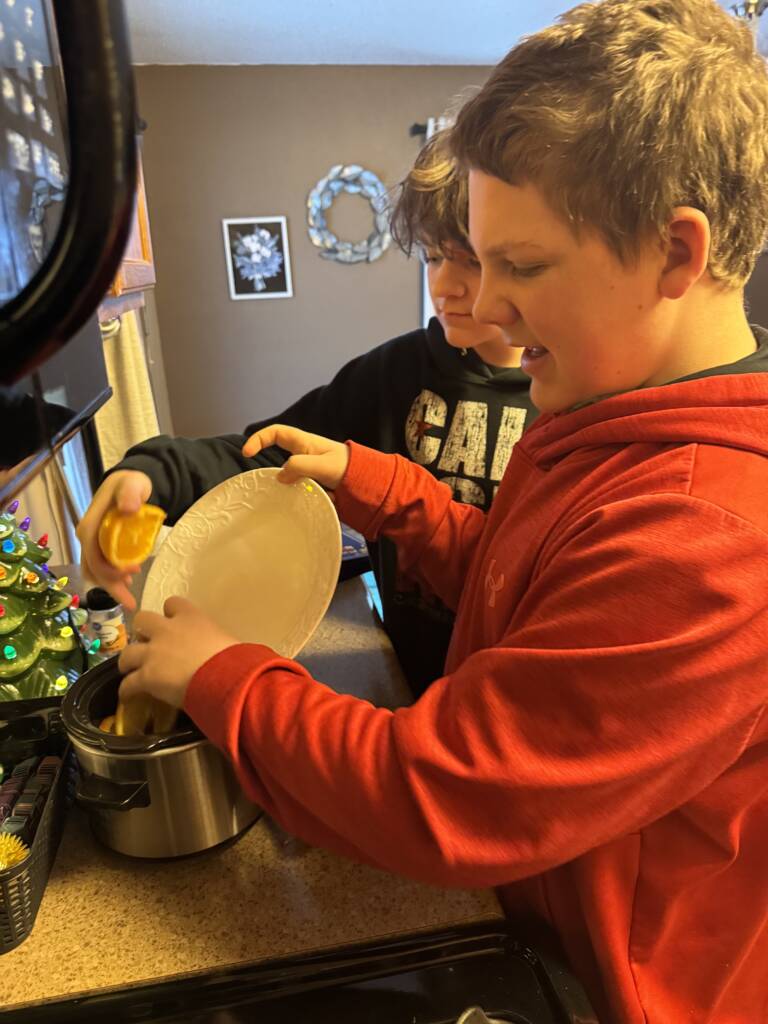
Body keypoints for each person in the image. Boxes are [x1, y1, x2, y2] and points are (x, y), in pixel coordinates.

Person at [101, 1, 768, 1020]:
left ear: (678, 255)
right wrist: (375, 481)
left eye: (522, 266)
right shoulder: (608, 417)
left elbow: (446, 791)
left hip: (608, 989)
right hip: (533, 915)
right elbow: (515, 576)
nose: (483, 307)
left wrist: (223, 676)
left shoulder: (707, 535)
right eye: (470, 261)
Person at [78, 130, 537, 695]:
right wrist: (150, 473)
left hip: (516, 691)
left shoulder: (570, 402)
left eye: (470, 260)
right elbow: (270, 455)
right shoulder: (395, 373)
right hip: (407, 679)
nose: (444, 285)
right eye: (434, 255)